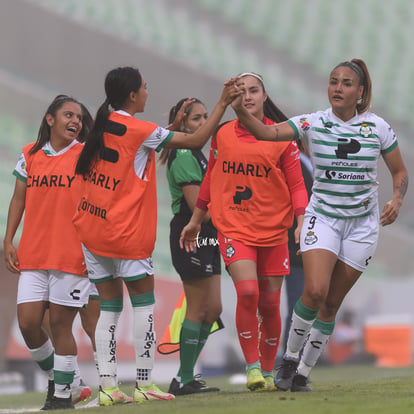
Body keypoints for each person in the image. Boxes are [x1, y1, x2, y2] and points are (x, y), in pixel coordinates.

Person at [231, 58, 409, 391]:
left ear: (360, 92)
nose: (337, 88)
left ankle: (303, 375)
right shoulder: (312, 122)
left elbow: (400, 172)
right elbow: (267, 133)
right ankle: (288, 359)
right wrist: (240, 109)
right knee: (314, 291)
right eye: (333, 82)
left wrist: (396, 199)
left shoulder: (378, 127)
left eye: (345, 83)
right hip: (322, 217)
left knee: (331, 303)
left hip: (362, 226)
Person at [72, 66, 241, 406]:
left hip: (93, 230)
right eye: (145, 87)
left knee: (108, 310)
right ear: (133, 95)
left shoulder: (104, 124)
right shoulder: (138, 129)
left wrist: (171, 128)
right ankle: (146, 383)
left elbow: (136, 143)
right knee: (143, 308)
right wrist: (222, 104)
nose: (149, 91)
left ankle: (108, 387)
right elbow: (195, 141)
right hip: (125, 235)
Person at [180, 72, 308, 392]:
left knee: (269, 303)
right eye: (243, 91)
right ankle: (252, 368)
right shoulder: (222, 134)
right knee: (248, 292)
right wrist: (196, 219)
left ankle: (267, 371)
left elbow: (296, 184)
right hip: (235, 227)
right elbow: (211, 177)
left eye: (254, 91)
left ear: (265, 97)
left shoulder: (282, 137)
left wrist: (302, 219)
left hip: (275, 231)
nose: (248, 96)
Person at [3, 95, 98, 410]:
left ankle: (61, 397)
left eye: (79, 118)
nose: (75, 121)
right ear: (50, 119)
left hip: (71, 256)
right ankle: (68, 383)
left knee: (60, 325)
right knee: (29, 324)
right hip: (33, 254)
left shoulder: (86, 156)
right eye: (68, 115)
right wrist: (9, 239)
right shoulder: (30, 155)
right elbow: (19, 200)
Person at [159, 98, 222, 396]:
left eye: (205, 116)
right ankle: (184, 378)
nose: (203, 122)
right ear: (182, 123)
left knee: (214, 308)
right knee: (197, 308)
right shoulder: (184, 154)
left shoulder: (198, 153)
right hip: (191, 230)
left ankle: (184, 376)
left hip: (209, 233)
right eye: (196, 118)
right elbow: (198, 208)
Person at [282, 151, 313, 351]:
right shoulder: (294, 163)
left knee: (302, 305)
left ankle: (295, 357)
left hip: (305, 246)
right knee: (298, 306)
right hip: (296, 247)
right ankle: (290, 358)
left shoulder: (305, 162)